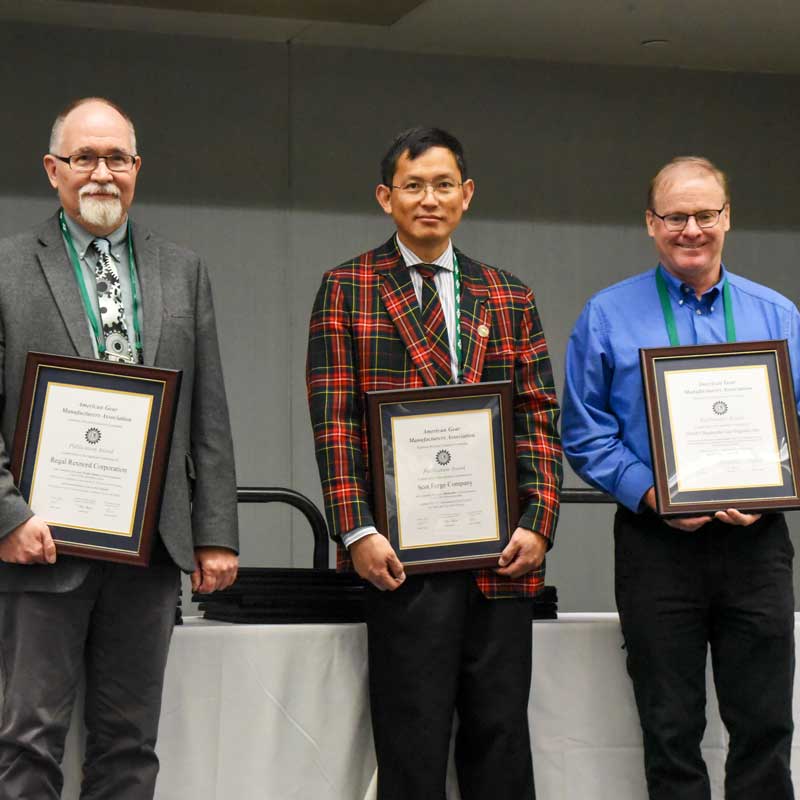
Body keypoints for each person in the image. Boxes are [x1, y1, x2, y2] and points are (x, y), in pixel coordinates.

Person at [306, 126, 561, 799]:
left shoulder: (508, 294)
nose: (429, 199)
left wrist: (539, 522)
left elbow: (538, 415)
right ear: (386, 197)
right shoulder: (347, 288)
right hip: (401, 557)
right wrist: (357, 531)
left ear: (467, 195)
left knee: (501, 739)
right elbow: (335, 425)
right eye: (413, 186)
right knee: (412, 742)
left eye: (443, 185)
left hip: (500, 552)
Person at [0, 97, 239, 800]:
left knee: (131, 745)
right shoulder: (7, 267)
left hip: (151, 550)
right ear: (53, 170)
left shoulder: (182, 269)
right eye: (84, 158)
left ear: (137, 168)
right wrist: (7, 515)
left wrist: (215, 532)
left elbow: (209, 411)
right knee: (27, 741)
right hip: (41, 545)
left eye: (118, 159)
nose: (101, 173)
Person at [562, 156, 797, 799]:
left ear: (728, 218)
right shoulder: (607, 316)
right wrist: (651, 493)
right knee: (669, 730)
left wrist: (768, 483)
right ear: (650, 223)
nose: (690, 228)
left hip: (758, 543)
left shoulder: (778, 316)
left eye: (704, 214)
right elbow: (584, 433)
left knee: (766, 725)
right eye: (675, 216)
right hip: (656, 546)